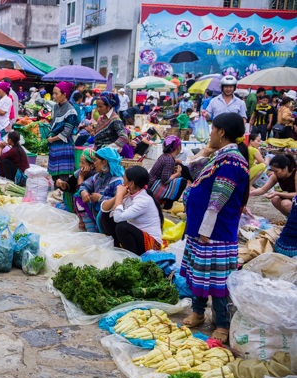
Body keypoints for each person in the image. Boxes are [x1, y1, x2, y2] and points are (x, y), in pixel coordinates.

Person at [180, 112, 250, 343]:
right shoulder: (220, 156)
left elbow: (218, 199)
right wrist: (206, 151)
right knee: (199, 273)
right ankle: (198, 311)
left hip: (214, 231)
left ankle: (222, 323)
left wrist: (205, 230)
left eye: (212, 129)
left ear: (221, 132)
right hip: (201, 227)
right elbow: (191, 170)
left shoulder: (232, 161)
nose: (210, 133)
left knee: (217, 279)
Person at [99, 166, 164, 255]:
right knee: (106, 216)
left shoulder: (144, 200)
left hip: (151, 244)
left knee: (122, 227)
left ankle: (132, 256)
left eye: (124, 180)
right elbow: (104, 208)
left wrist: (119, 195)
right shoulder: (131, 195)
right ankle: (115, 247)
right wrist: (117, 197)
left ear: (131, 184)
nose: (122, 183)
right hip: (139, 235)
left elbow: (118, 218)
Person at [74, 147, 124, 232]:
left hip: (107, 216)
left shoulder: (118, 181)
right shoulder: (98, 176)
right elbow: (84, 185)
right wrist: (84, 192)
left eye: (96, 160)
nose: (94, 163)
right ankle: (90, 227)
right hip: (95, 211)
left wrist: (101, 198)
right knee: (78, 195)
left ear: (104, 162)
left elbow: (120, 201)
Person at [46, 81, 79, 182]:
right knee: (54, 178)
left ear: (64, 95)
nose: (54, 96)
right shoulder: (56, 107)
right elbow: (53, 123)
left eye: (56, 94)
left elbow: (66, 133)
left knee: (62, 179)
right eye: (53, 93)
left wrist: (52, 139)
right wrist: (49, 132)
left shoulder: (71, 110)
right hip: (54, 146)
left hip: (64, 147)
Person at [148, 135, 188, 209]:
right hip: (153, 186)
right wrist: (177, 174)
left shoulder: (164, 156)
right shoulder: (169, 159)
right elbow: (165, 180)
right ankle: (166, 204)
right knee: (182, 182)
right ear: (178, 148)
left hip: (150, 183)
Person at [56, 148, 97, 212]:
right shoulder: (79, 172)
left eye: (83, 163)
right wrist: (63, 185)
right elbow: (71, 184)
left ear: (92, 166)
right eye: (80, 162)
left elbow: (81, 193)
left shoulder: (96, 176)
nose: (80, 165)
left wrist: (81, 177)